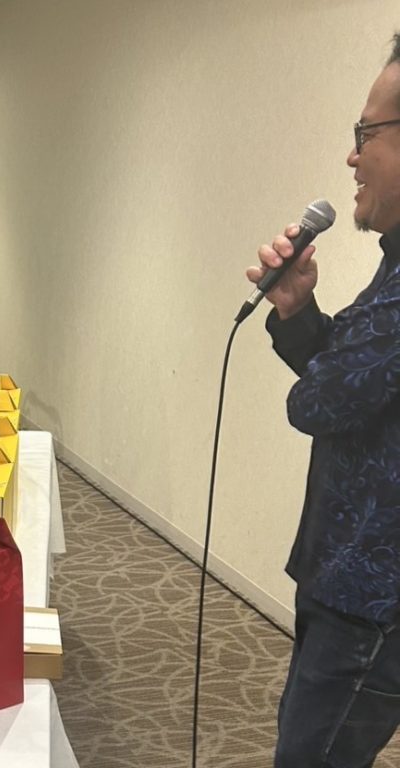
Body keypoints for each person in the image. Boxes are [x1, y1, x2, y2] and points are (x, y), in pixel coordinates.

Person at [248, 33, 400, 767]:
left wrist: (314, 349)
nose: (351, 157)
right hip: (347, 580)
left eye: (365, 134)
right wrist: (298, 312)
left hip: (371, 600)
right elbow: (359, 386)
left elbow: (319, 401)